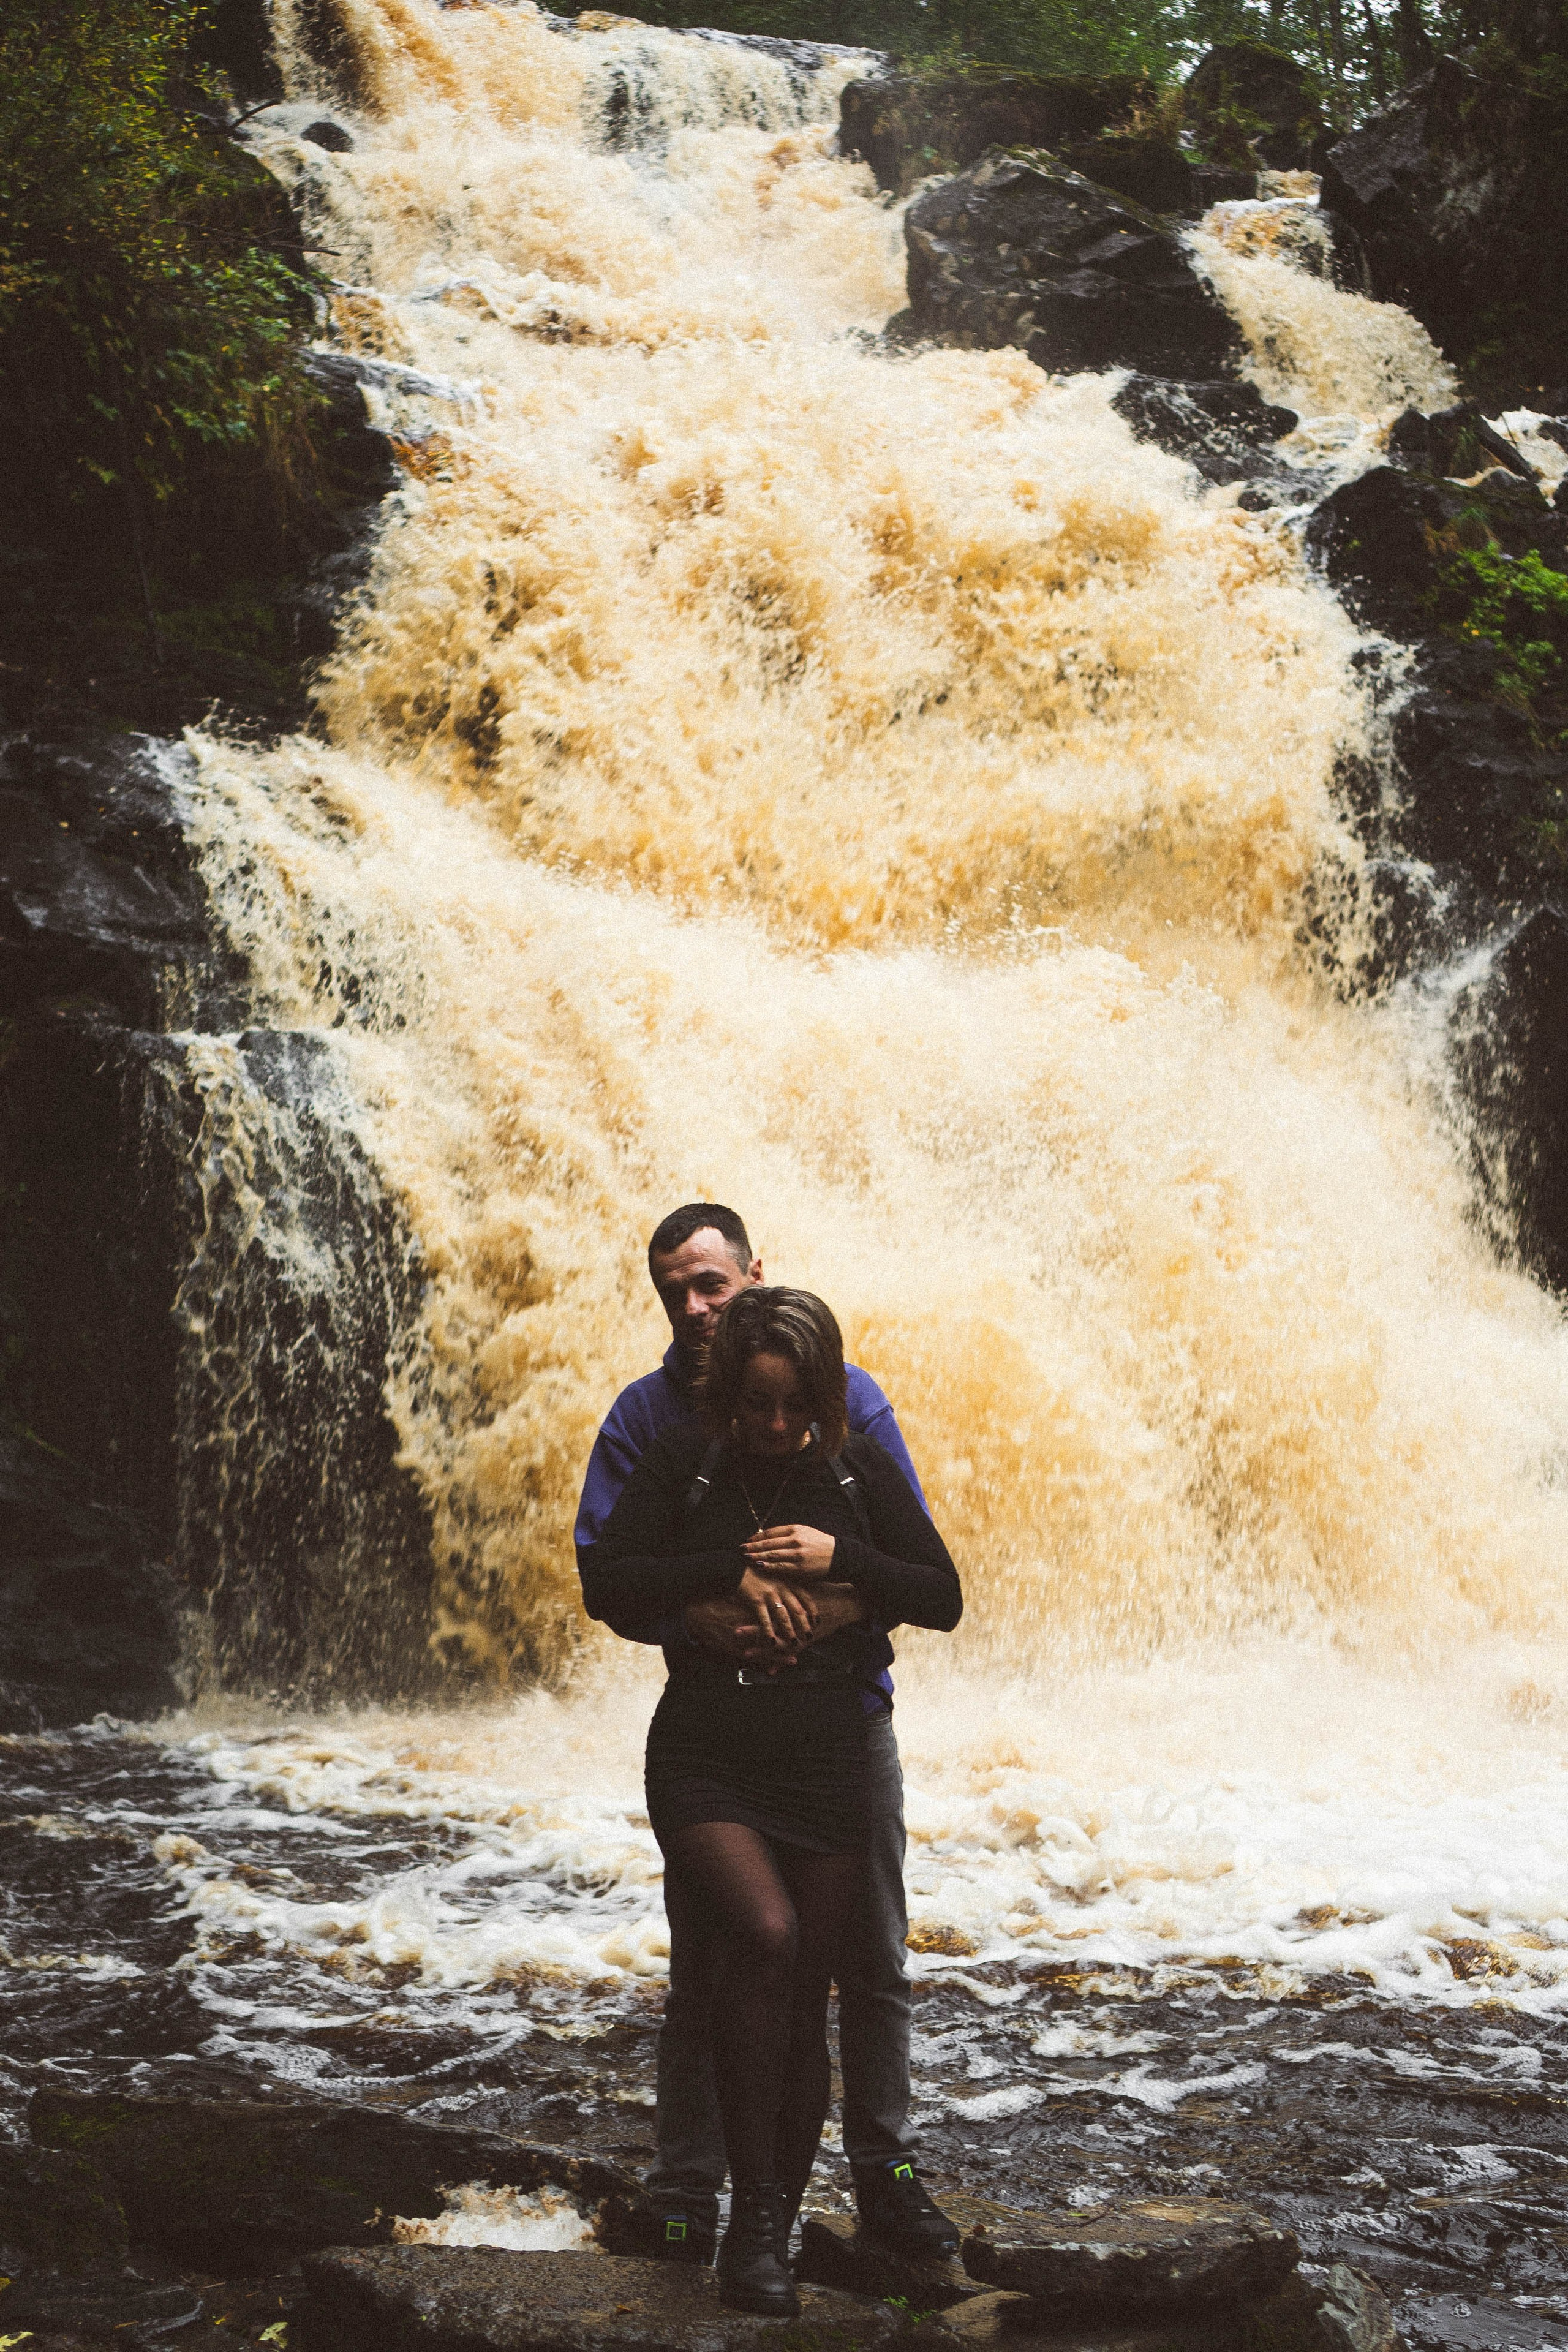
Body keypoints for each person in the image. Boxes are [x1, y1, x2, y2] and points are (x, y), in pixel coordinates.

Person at [574, 1205, 959, 2267]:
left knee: (868, 1962)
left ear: (754, 1274)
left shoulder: (853, 1409)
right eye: (675, 1290)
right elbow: (610, 1575)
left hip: (844, 1728)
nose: (696, 1307)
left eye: (711, 1283)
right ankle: (695, 2189)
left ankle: (884, 2174)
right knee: (724, 1959)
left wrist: (839, 1606)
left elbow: (915, 1573)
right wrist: (699, 1607)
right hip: (719, 1730)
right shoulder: (653, 1422)